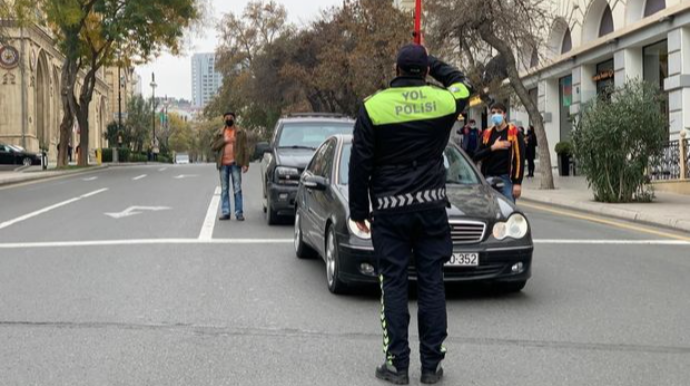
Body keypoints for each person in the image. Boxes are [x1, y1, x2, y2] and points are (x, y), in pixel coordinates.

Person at [349, 44, 471, 385]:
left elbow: (359, 162)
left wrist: (358, 208)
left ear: (396, 68)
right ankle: (431, 367)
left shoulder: (374, 107)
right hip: (431, 208)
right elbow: (463, 83)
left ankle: (397, 365)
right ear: (424, 71)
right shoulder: (444, 101)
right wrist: (433, 63)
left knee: (394, 283)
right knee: (432, 283)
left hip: (389, 212)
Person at [473, 103, 525, 202]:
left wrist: (517, 183)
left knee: (509, 209)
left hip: (506, 179)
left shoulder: (514, 133)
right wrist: (493, 147)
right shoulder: (486, 133)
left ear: (504, 115)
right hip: (487, 178)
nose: (496, 115)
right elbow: (476, 156)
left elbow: (519, 159)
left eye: (499, 112)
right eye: (493, 113)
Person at [211, 112, 250, 221]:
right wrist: (225, 140)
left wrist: (246, 164)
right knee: (224, 189)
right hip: (223, 164)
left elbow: (245, 148)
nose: (229, 119)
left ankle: (239, 212)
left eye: (231, 117)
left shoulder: (240, 132)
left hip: (235, 164)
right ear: (224, 119)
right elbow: (213, 146)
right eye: (227, 117)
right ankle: (225, 212)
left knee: (237, 188)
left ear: (234, 119)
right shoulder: (219, 133)